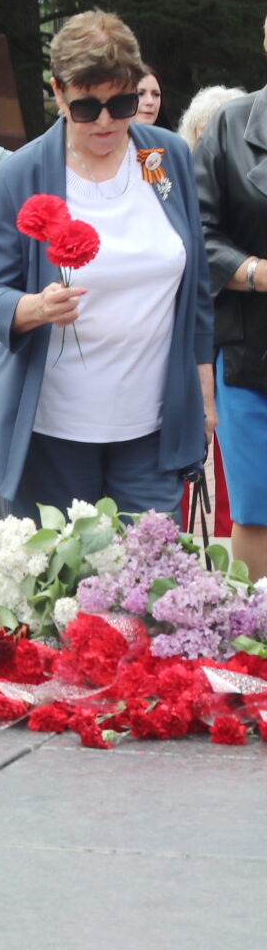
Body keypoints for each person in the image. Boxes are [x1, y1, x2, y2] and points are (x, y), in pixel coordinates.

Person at [0, 10, 213, 517]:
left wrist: (205, 398)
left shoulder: (167, 157)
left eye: (121, 103)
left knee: (149, 563)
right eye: (86, 107)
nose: (105, 121)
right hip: (52, 431)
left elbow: (197, 290)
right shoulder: (22, 173)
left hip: (153, 429)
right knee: (59, 566)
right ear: (57, 93)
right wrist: (34, 308)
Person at [193, 33, 267, 579]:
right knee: (257, 507)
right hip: (250, 356)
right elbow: (197, 231)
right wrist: (256, 273)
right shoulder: (229, 126)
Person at [180, 85, 243, 151]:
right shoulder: (182, 154)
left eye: (223, 131)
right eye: (206, 130)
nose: (214, 137)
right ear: (193, 132)